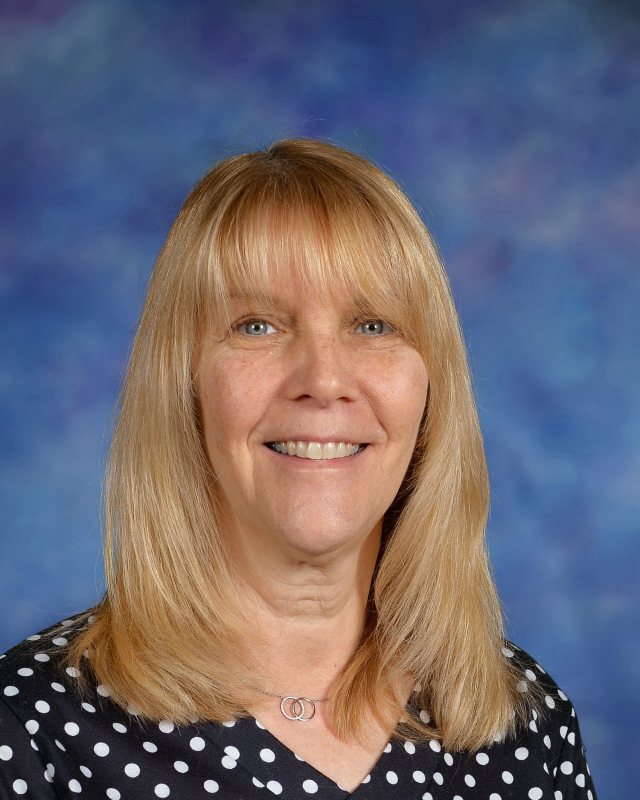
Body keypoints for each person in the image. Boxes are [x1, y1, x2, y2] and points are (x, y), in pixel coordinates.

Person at [0, 139, 596, 799]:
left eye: (373, 326)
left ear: (430, 390)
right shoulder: (33, 732)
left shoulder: (524, 723)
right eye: (257, 326)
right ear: (185, 386)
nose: (324, 379)